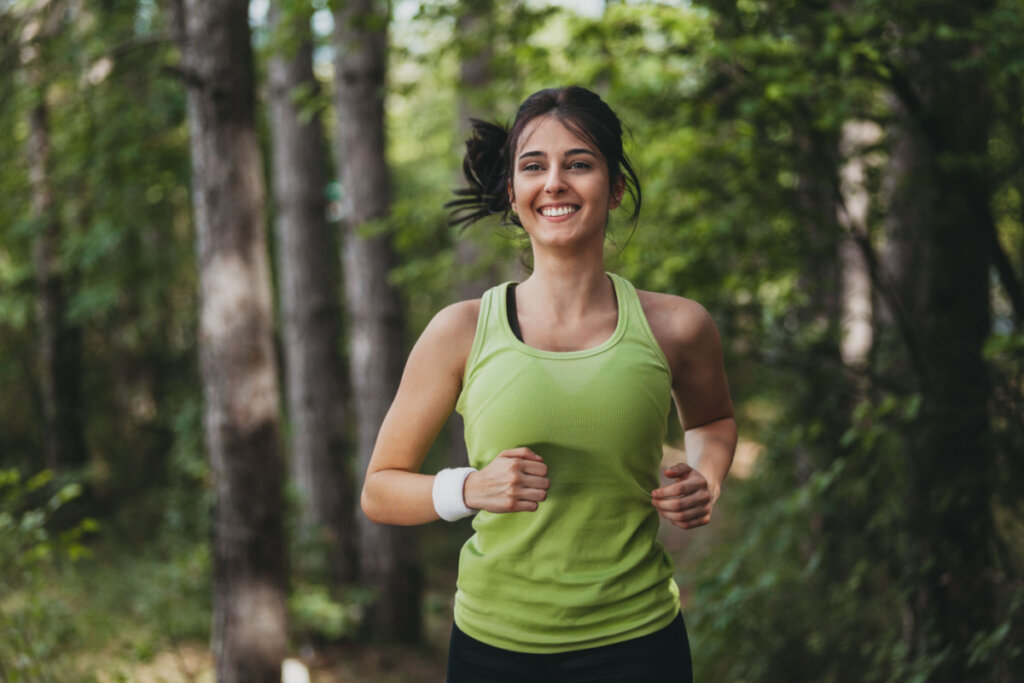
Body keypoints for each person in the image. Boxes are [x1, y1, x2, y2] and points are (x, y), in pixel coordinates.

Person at [361, 85, 737, 682]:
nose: (555, 182)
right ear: (513, 192)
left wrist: (707, 479)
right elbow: (380, 490)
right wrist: (470, 488)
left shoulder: (678, 326)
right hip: (494, 648)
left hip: (639, 644)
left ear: (614, 188)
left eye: (579, 163)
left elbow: (712, 421)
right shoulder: (459, 331)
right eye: (534, 166)